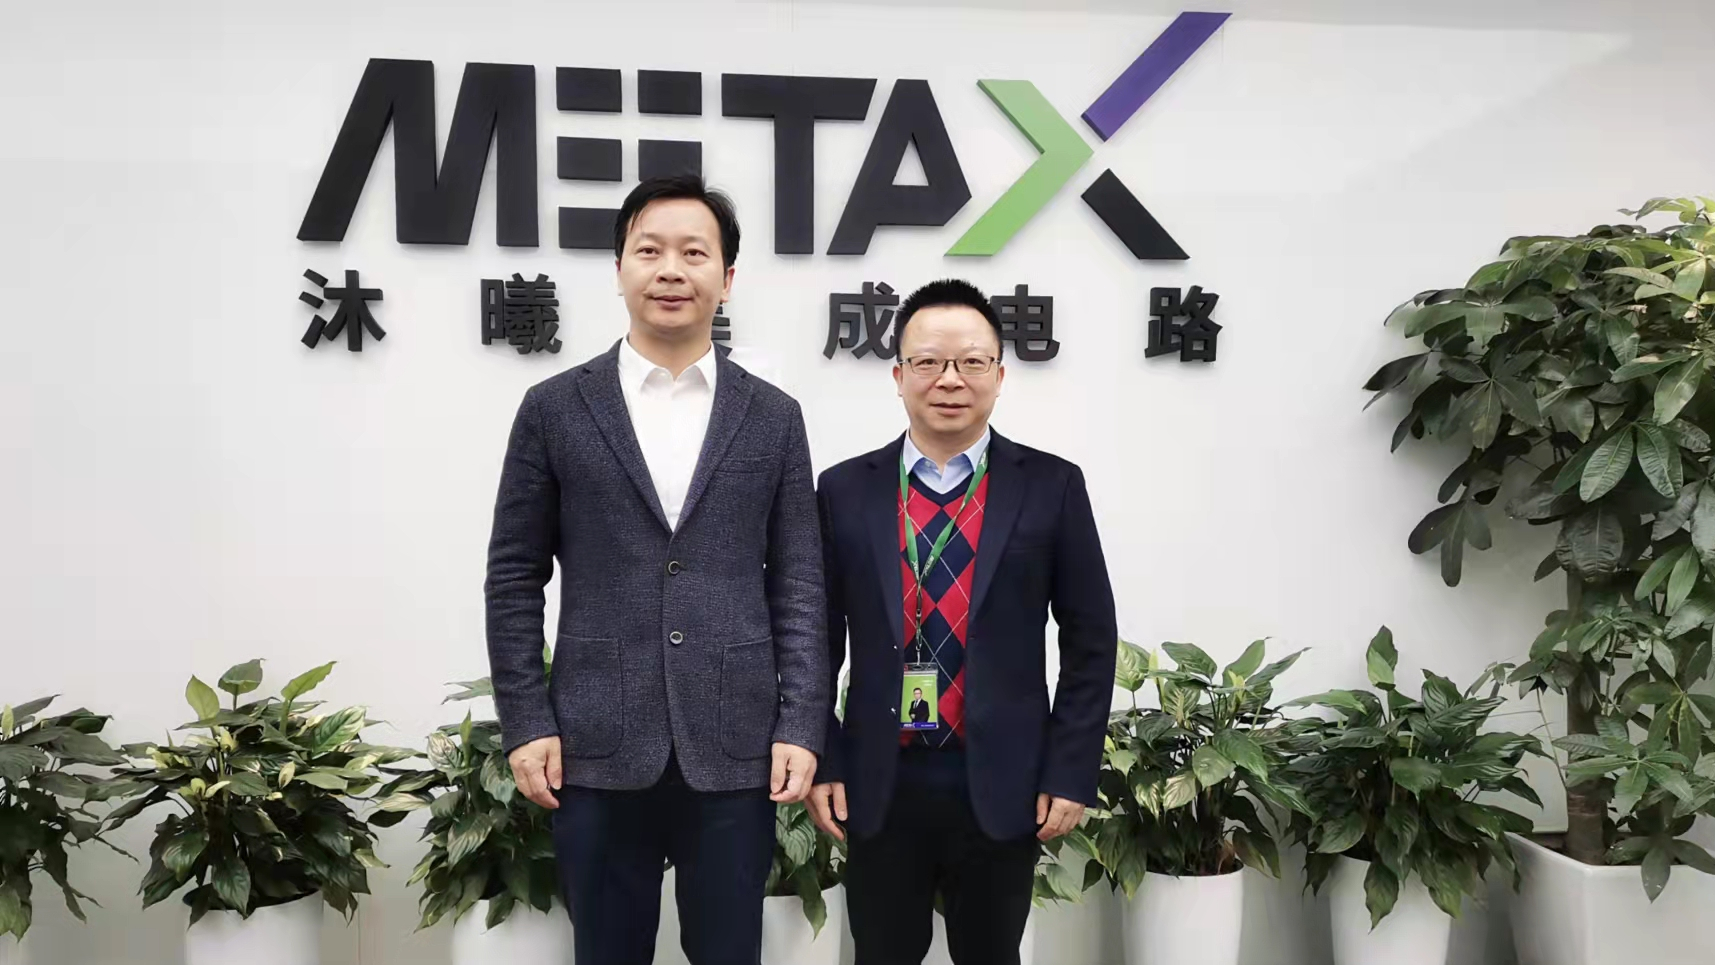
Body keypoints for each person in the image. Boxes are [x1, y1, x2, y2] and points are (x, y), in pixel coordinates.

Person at [484, 174, 826, 965]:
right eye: (650, 250)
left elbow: (800, 582)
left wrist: (800, 722)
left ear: (726, 278)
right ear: (619, 269)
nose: (671, 269)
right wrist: (527, 720)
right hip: (595, 739)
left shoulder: (772, 416)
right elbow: (513, 577)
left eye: (693, 253)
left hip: (733, 742)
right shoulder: (554, 407)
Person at [808, 279, 1117, 965]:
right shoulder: (843, 490)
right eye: (928, 361)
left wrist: (1070, 771)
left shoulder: (1051, 485)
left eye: (972, 361)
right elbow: (814, 643)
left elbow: (1091, 641)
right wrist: (824, 754)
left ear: (999, 375)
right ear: (898, 375)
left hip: (1002, 780)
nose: (949, 379)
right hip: (880, 780)